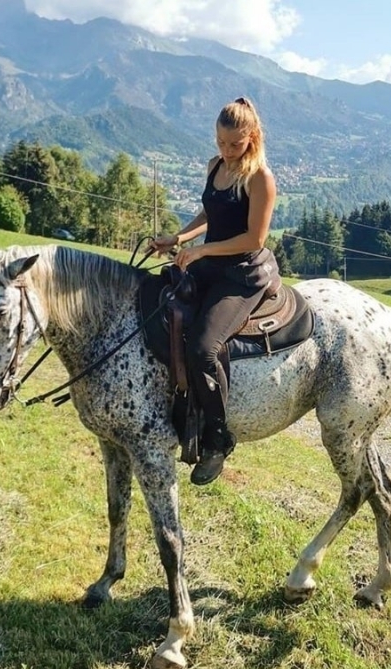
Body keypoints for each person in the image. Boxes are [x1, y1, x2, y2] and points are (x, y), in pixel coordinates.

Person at [147, 96, 279, 486]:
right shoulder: (215, 166)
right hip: (211, 263)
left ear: (252, 138)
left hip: (242, 274)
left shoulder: (260, 178)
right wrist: (178, 236)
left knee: (205, 346)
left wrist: (202, 249)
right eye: (220, 143)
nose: (226, 151)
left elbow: (254, 237)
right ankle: (178, 403)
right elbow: (210, 213)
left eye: (234, 145)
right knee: (159, 301)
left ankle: (218, 438)